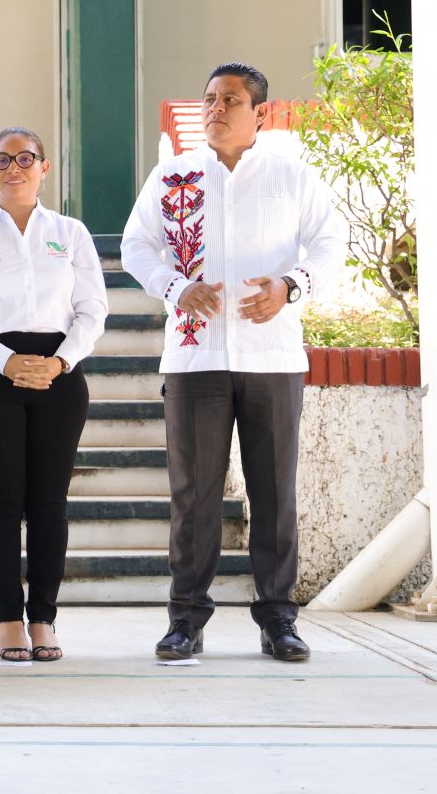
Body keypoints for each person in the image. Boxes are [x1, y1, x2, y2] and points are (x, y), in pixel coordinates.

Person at [121, 62, 344, 663]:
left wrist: (290, 286)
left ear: (260, 114)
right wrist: (173, 287)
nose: (215, 108)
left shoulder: (291, 176)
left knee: (274, 492)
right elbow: (135, 245)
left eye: (231, 100)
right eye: (210, 99)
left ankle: (278, 619)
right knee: (193, 495)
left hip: (272, 358)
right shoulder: (173, 177)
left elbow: (331, 243)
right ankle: (185, 618)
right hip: (195, 358)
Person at [0, 127, 107, 662]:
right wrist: (7, 362)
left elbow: (92, 311)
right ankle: (8, 618)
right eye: (3, 160)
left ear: (44, 168)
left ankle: (44, 619)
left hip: (60, 376)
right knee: (4, 501)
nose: (15, 168)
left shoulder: (71, 233)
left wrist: (59, 361)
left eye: (26, 158)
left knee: (49, 504)